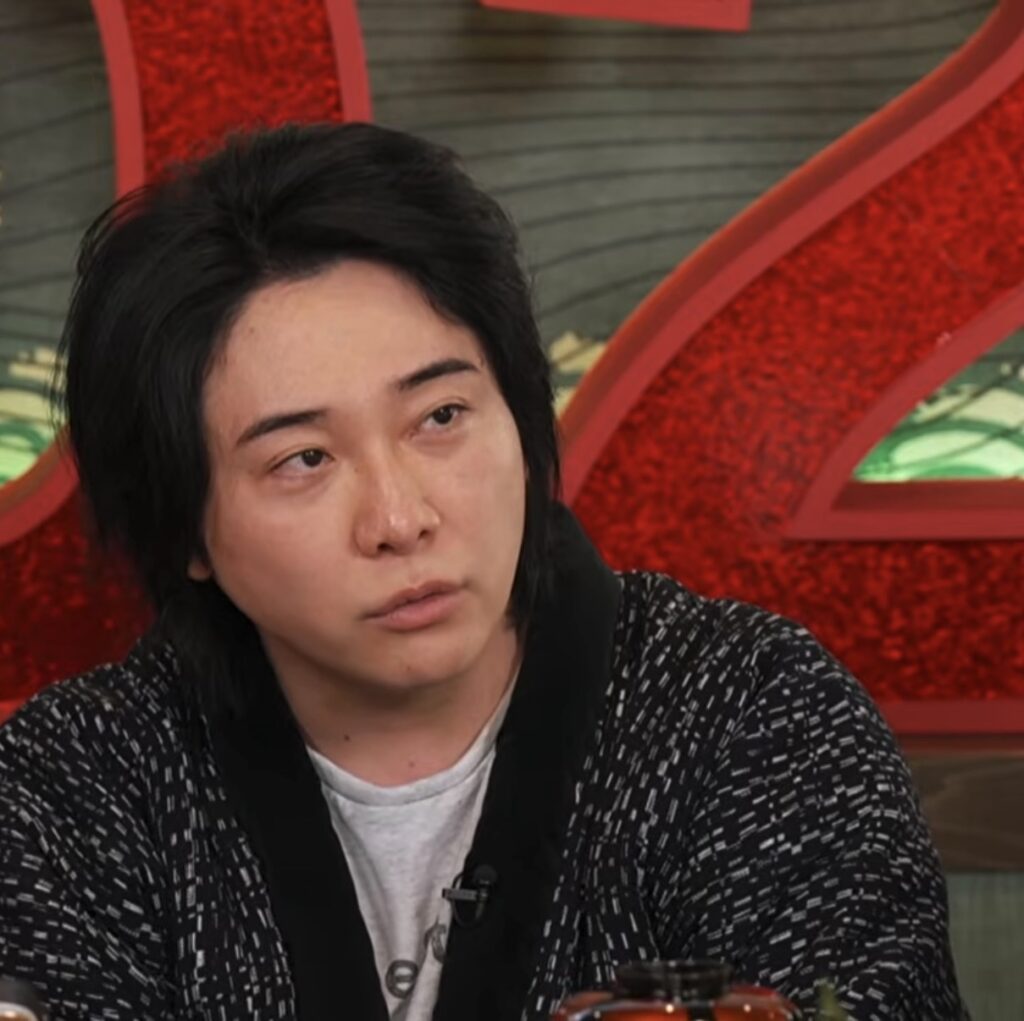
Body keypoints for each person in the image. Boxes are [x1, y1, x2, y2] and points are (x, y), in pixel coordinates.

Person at [0, 122, 966, 1021]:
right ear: (185, 529)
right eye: (303, 459)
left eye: (442, 417)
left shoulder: (751, 710)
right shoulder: (75, 788)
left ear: (520, 412)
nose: (400, 519)